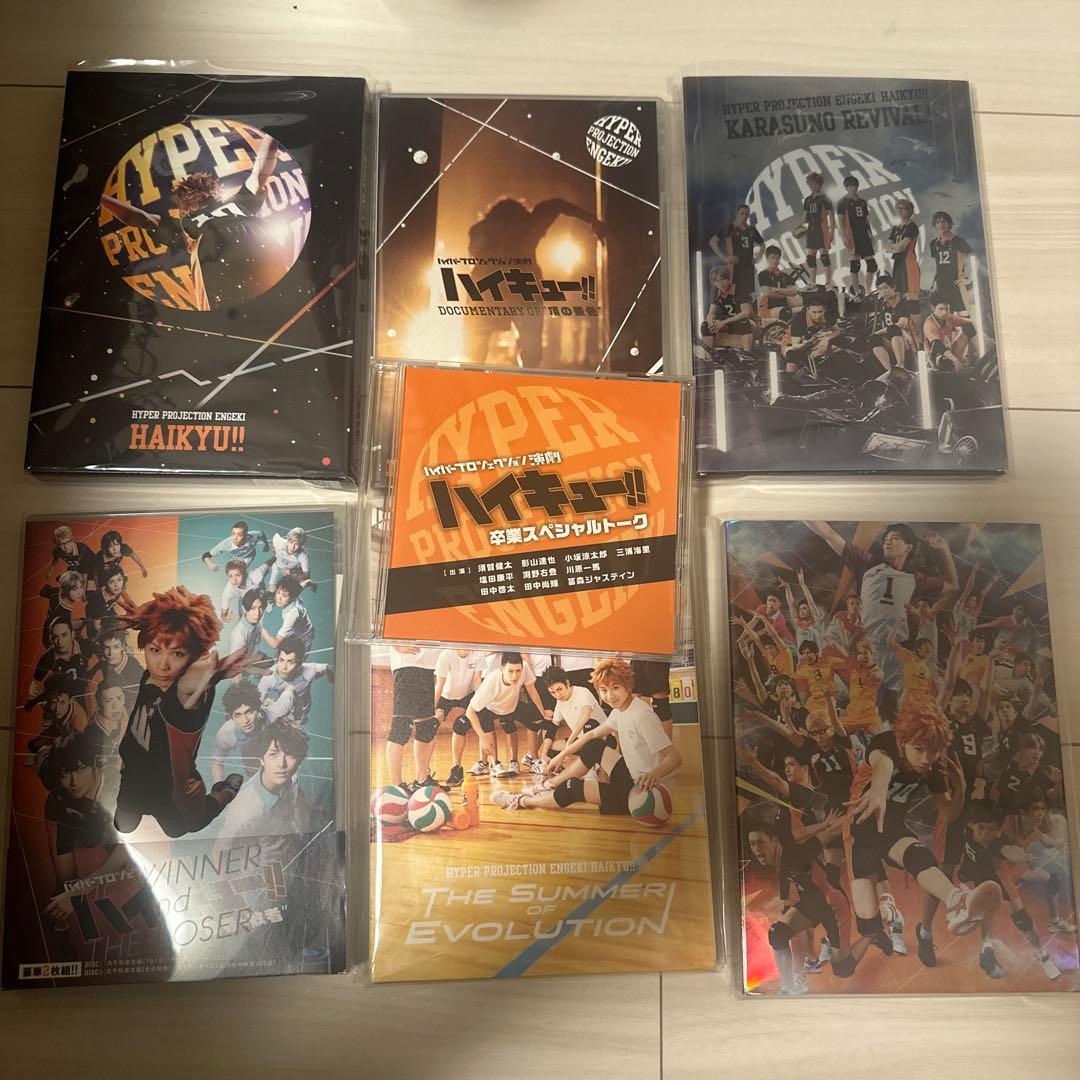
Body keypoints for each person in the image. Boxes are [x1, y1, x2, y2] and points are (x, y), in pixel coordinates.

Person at [113, 586, 260, 838]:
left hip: (169, 786)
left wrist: (215, 675)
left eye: (178, 654)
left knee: (180, 829)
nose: (163, 664)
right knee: (123, 826)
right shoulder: (149, 676)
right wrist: (147, 618)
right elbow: (163, 635)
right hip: (133, 777)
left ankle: (225, 792)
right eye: (155, 650)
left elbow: (189, 684)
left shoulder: (187, 692)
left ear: (194, 657)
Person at [846, 703, 986, 956]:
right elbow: (883, 765)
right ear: (902, 742)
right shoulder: (886, 744)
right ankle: (883, 923)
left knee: (919, 855)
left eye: (933, 751)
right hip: (860, 828)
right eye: (919, 749)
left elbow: (949, 813)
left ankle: (957, 901)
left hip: (891, 827)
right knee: (868, 925)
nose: (925, 758)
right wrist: (878, 790)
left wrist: (961, 789)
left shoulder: (933, 766)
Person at [100, 133, 289, 309]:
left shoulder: (184, 222)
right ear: (213, 191)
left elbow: (141, 218)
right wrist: (270, 137)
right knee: (280, 295)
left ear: (185, 204)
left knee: (231, 308)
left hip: (215, 245)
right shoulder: (237, 202)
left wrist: (103, 199)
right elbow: (260, 172)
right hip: (257, 234)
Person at [807, 521, 957, 728]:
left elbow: (952, 586)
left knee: (904, 716)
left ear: (908, 547)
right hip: (869, 650)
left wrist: (944, 550)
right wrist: (804, 514)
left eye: (895, 538)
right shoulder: (867, 565)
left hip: (898, 653)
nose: (888, 541)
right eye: (886, 539)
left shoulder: (916, 579)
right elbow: (829, 534)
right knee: (865, 712)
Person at [494, 659, 680, 814]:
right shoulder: (620, 710)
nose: (609, 696)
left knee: (573, 788)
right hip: (630, 775)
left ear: (628, 686)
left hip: (643, 790)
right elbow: (591, 735)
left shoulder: (642, 716)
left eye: (615, 688)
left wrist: (654, 775)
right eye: (604, 690)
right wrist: (561, 756)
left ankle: (522, 801)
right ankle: (548, 785)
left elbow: (675, 758)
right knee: (594, 745)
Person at [464, 196, 607, 366]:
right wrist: (591, 220)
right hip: (522, 288)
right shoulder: (527, 224)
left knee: (476, 349)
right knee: (531, 352)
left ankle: (473, 376)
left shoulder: (480, 230)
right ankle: (526, 372)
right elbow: (557, 204)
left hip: (487, 289)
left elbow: (475, 252)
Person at [747, 815, 872, 994]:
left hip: (833, 907)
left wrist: (854, 815)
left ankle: (872, 934)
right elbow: (798, 833)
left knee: (842, 969)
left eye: (760, 842)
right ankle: (790, 988)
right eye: (752, 844)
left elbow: (829, 834)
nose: (756, 849)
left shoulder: (795, 857)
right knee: (777, 934)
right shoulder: (781, 843)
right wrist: (822, 824)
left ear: (773, 842)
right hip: (810, 902)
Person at [956, 800, 1062, 980]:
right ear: (972, 823)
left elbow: (1009, 850)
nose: (985, 834)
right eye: (981, 827)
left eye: (991, 829)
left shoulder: (996, 843)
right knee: (984, 912)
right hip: (978, 879)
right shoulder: (967, 826)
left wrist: (1022, 857)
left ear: (997, 831)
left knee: (1023, 921)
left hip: (999, 879)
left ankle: (1042, 955)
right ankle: (987, 948)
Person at [214, 720, 326, 839]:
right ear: (262, 759)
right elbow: (221, 846)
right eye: (273, 754)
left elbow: (293, 797)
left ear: (299, 760)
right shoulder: (244, 810)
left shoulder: (286, 781)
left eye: (290, 755)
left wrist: (313, 810)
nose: (281, 764)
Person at [462, 652, 551, 778]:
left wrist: (542, 712)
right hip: (490, 708)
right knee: (485, 730)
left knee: (536, 719)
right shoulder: (491, 681)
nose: (515, 676)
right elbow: (470, 711)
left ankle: (532, 760)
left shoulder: (524, 668)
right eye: (510, 671)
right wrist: (483, 737)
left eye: (518, 671)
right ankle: (493, 764)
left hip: (510, 706)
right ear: (502, 669)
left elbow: (531, 689)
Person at [385, 646, 440, 792]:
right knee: (401, 727)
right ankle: (397, 787)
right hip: (406, 665)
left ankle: (421, 780)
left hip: (428, 666)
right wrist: (396, 645)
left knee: (426, 727)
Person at [257, 635, 332, 727]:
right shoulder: (268, 678)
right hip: (283, 710)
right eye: (281, 660)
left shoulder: (310, 671)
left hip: (302, 711)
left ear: (299, 663)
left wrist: (332, 676)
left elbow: (328, 668)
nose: (284, 667)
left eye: (290, 662)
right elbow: (255, 703)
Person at [434, 647, 482, 787]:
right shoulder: (446, 655)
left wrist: (480, 704)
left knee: (461, 726)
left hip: (468, 695)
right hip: (445, 696)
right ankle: (425, 772)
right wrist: (432, 711)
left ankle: (457, 768)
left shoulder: (477, 653)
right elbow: (439, 685)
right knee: (430, 727)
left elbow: (477, 681)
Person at [709, 203, 763, 302]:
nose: (744, 216)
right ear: (736, 214)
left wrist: (757, 259)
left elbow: (762, 245)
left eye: (747, 214)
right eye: (742, 213)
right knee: (730, 294)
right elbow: (712, 241)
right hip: (734, 266)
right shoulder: (730, 228)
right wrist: (724, 258)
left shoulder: (751, 229)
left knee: (747, 296)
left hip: (748, 267)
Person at [27, 674, 89, 756]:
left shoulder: (79, 721)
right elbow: (43, 698)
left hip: (69, 738)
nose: (57, 709)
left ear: (70, 700)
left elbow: (82, 749)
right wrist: (34, 701)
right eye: (53, 702)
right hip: (58, 729)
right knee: (35, 745)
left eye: (62, 702)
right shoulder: (49, 703)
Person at [866, 275, 916, 371]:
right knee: (873, 339)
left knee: (893, 329)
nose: (883, 291)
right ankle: (889, 371)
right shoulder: (883, 305)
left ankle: (900, 365)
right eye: (880, 289)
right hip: (891, 341)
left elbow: (902, 324)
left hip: (906, 340)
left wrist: (879, 332)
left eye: (885, 288)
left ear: (893, 287)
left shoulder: (903, 303)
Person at [836, 176, 877, 293]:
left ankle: (868, 291)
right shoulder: (843, 202)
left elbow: (865, 219)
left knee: (872, 265)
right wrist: (844, 237)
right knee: (855, 265)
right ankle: (857, 293)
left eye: (854, 185)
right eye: (850, 186)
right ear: (846, 187)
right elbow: (840, 221)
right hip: (852, 236)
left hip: (863, 234)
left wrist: (870, 234)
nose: (853, 188)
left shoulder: (862, 202)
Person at [781, 296, 840, 375]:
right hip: (792, 345)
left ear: (825, 309)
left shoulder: (828, 315)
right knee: (793, 356)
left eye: (820, 311)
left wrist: (826, 338)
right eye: (814, 312)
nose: (817, 316)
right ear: (808, 310)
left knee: (838, 346)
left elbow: (837, 330)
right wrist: (805, 345)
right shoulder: (799, 319)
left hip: (811, 341)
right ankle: (790, 378)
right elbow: (795, 345)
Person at [928, 211, 972, 315]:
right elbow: (937, 265)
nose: (941, 224)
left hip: (956, 284)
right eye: (938, 222)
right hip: (941, 285)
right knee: (946, 316)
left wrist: (968, 278)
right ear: (935, 225)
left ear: (949, 223)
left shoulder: (958, 241)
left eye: (944, 221)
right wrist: (934, 282)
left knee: (963, 315)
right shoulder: (933, 244)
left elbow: (974, 260)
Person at [701, 266, 753, 349]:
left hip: (748, 322)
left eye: (723, 279)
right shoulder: (716, 291)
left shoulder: (739, 289)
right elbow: (712, 312)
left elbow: (746, 313)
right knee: (705, 325)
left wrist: (724, 322)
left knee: (744, 322)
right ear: (714, 283)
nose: (721, 283)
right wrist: (710, 320)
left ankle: (747, 354)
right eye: (717, 281)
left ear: (729, 279)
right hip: (729, 322)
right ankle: (709, 354)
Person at [923, 293, 977, 371]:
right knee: (945, 361)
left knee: (968, 327)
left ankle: (970, 357)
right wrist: (955, 360)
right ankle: (958, 363)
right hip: (936, 358)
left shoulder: (948, 317)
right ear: (933, 308)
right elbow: (937, 346)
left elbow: (969, 321)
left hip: (949, 352)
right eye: (941, 309)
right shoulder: (929, 323)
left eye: (946, 309)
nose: (944, 312)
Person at [801, 172, 836, 289]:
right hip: (811, 229)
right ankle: (812, 283)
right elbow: (804, 217)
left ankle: (828, 283)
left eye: (814, 184)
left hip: (822, 229)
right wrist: (799, 228)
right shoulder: (808, 200)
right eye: (810, 184)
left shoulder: (825, 199)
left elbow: (832, 217)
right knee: (810, 259)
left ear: (819, 184)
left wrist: (832, 233)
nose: (812, 186)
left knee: (824, 257)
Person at [262, 576, 315, 652]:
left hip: (304, 635)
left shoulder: (291, 615)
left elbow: (275, 644)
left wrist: (260, 627)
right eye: (278, 592)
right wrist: (314, 586)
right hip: (295, 629)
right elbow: (307, 582)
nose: (279, 598)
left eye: (284, 596)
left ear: (293, 598)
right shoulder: (295, 590)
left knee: (295, 658)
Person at [886, 198, 921, 302]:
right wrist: (896, 247)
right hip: (897, 263)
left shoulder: (912, 227)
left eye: (903, 208)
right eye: (898, 208)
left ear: (910, 211)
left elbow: (902, 248)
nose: (900, 210)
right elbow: (887, 248)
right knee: (897, 294)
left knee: (909, 295)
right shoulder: (896, 228)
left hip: (908, 263)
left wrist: (894, 247)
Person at [202, 521, 270, 572]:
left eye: (239, 535)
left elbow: (261, 533)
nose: (235, 538)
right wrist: (210, 565)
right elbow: (206, 555)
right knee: (231, 572)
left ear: (246, 536)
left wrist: (266, 544)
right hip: (237, 558)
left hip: (249, 556)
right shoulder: (226, 544)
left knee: (239, 572)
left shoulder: (254, 535)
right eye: (233, 533)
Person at [86, 563, 131, 638]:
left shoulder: (119, 588)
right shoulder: (97, 601)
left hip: (108, 608)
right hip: (94, 614)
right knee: (94, 635)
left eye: (119, 579)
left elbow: (129, 602)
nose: (117, 585)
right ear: (105, 584)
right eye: (111, 582)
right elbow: (97, 627)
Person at [756, 245, 802, 319]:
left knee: (808, 305)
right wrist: (786, 292)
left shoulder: (784, 275)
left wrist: (778, 290)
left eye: (777, 258)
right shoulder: (763, 274)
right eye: (772, 258)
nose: (775, 261)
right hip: (768, 308)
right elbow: (767, 293)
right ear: (767, 258)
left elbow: (794, 292)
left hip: (784, 304)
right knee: (786, 312)